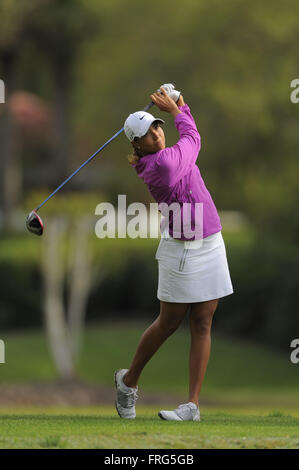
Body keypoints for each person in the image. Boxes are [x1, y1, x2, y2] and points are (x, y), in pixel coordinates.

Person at [114, 84, 234, 421]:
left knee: (203, 321)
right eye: (148, 133)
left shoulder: (165, 152)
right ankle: (128, 381)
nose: (156, 134)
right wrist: (179, 111)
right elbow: (193, 139)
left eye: (156, 126)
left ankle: (192, 406)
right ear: (137, 145)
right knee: (169, 323)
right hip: (181, 248)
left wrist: (180, 103)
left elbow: (188, 133)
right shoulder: (161, 166)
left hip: (210, 240)